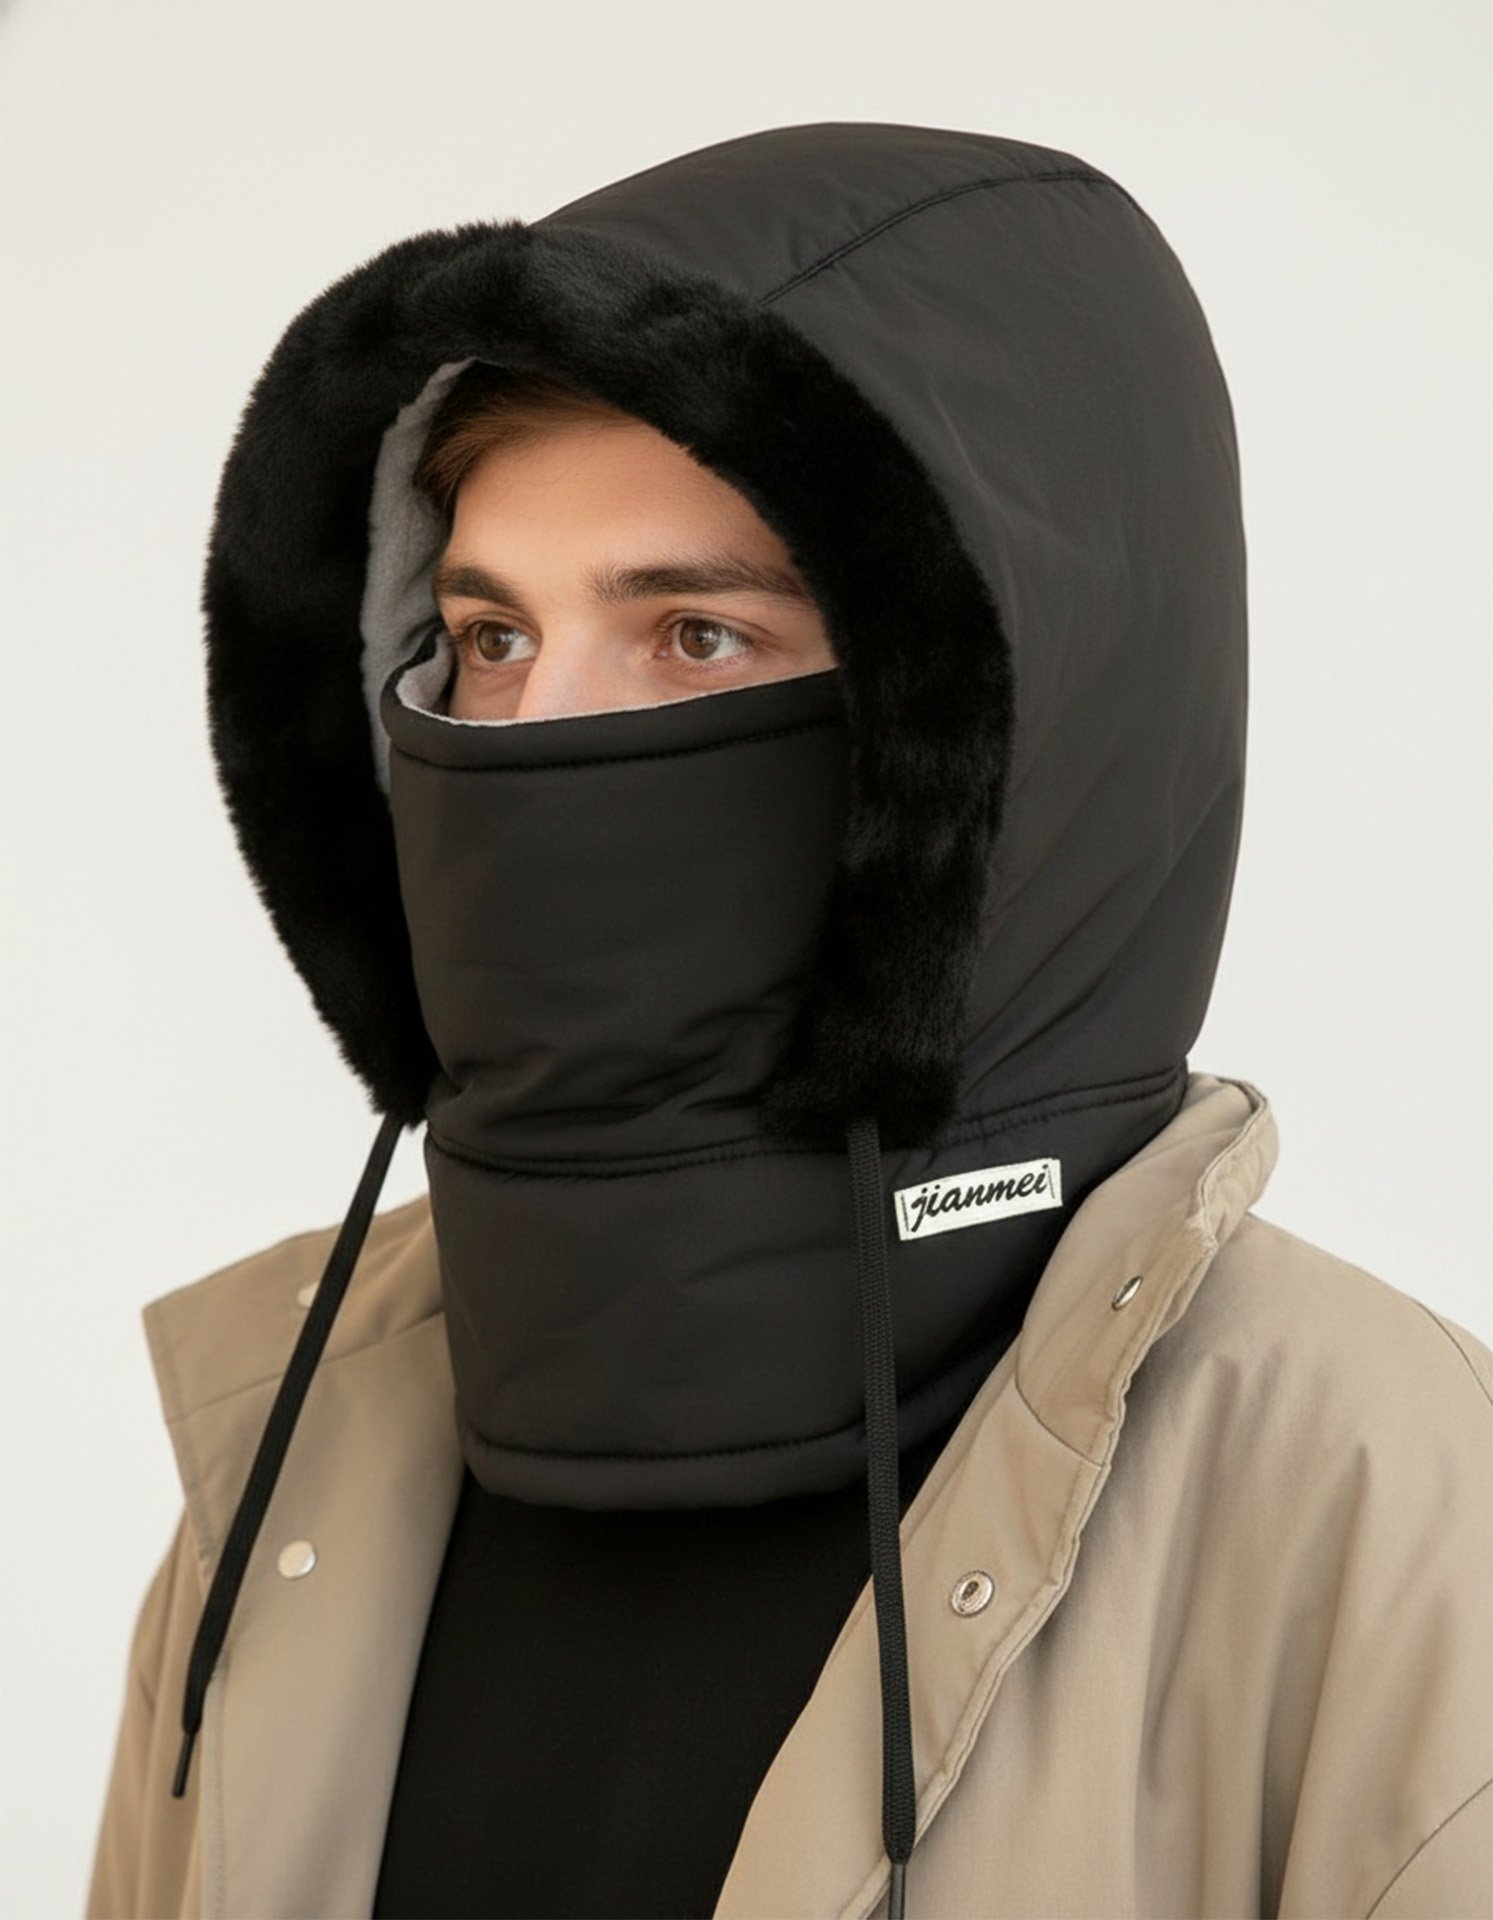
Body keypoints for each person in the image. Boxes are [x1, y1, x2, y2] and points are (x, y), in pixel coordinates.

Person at [85, 122, 1492, 1920]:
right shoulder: (301, 1454)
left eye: (693, 636)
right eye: (489, 637)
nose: (530, 741)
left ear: (1006, 740)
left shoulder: (1387, 1512)